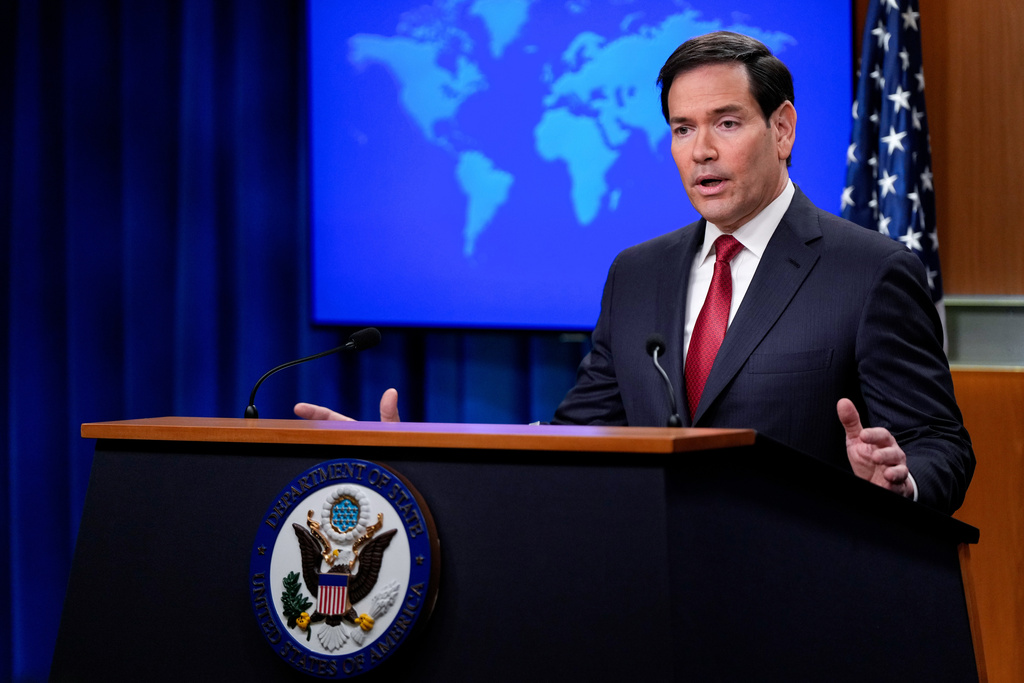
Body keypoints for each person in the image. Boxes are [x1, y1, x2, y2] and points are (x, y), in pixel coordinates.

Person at [296, 32, 974, 514]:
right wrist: (412, 450)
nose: (700, 151)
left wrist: (900, 480)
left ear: (782, 129)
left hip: (802, 596)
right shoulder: (638, 273)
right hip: (656, 591)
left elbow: (941, 444)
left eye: (726, 123)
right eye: (682, 129)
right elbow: (575, 440)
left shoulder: (870, 271)